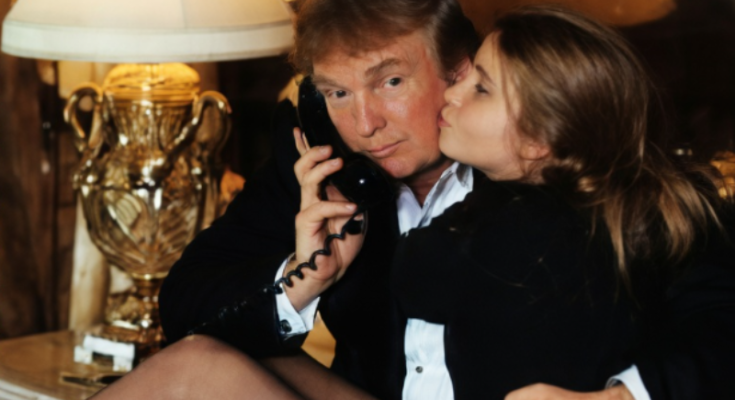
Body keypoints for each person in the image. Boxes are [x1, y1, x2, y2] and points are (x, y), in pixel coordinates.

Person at [91, 1, 735, 399]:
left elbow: (720, 320)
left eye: (391, 81)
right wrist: (302, 278)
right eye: (337, 93)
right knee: (197, 364)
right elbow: (184, 302)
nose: (364, 123)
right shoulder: (320, 157)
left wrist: (620, 399)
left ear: (460, 72)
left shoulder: (557, 169)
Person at [389, 5, 735, 399]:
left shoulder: (493, 226)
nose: (451, 94)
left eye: (481, 89)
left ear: (539, 139)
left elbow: (410, 279)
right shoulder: (653, 210)